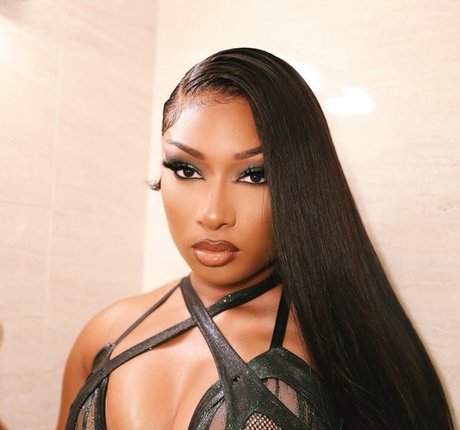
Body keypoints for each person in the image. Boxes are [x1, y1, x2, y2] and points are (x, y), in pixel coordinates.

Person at [57, 48, 454, 429]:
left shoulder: (347, 356)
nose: (213, 214)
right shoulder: (105, 333)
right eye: (187, 170)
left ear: (301, 184)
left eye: (254, 175)